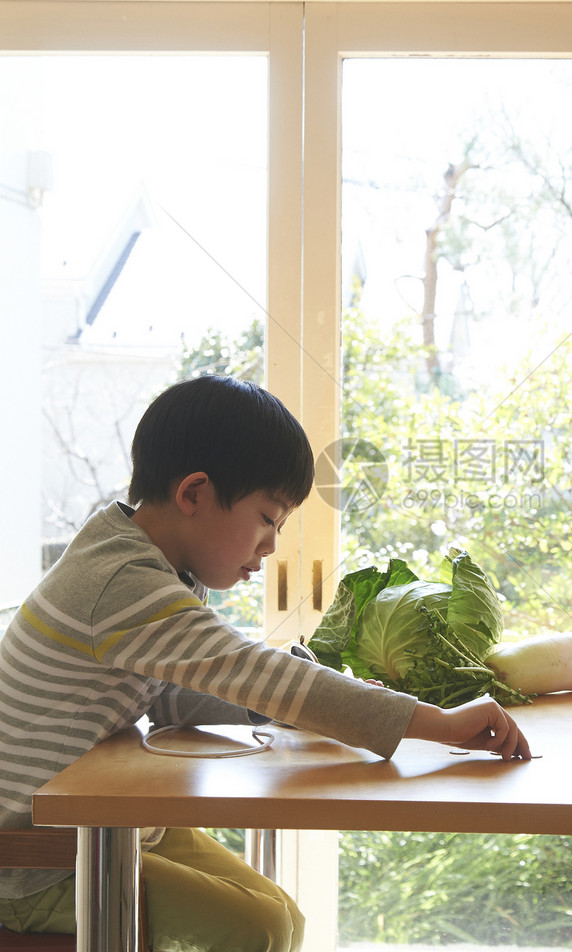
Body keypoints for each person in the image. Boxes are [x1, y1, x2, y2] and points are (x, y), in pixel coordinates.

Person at [0, 374, 530, 952]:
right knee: (258, 928)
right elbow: (252, 670)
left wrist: (295, 707)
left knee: (283, 919)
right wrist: (438, 724)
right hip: (32, 861)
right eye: (267, 519)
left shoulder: (155, 564)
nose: (272, 545)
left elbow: (169, 691)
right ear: (194, 493)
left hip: (94, 827)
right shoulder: (122, 581)